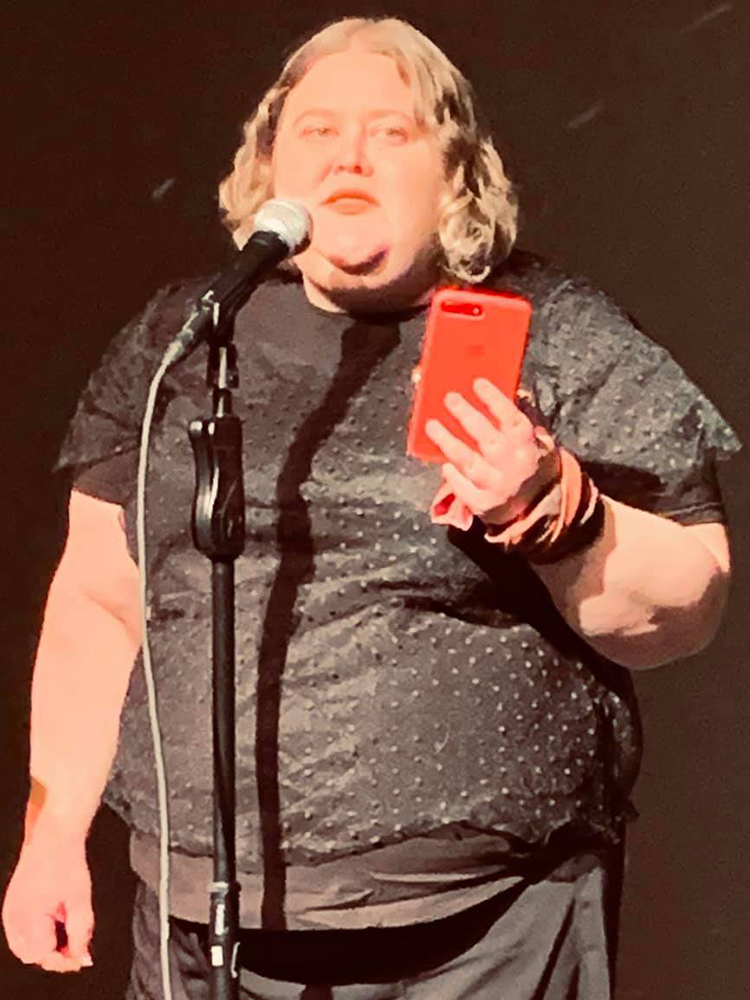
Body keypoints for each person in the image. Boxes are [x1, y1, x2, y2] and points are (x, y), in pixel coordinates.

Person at [2, 15, 740, 1000]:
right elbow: (100, 598)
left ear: (456, 173)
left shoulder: (558, 333)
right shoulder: (183, 340)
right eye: (316, 130)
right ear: (268, 165)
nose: (349, 155)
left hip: (480, 938)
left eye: (393, 132)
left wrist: (558, 511)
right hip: (201, 931)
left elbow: (690, 600)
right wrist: (53, 829)